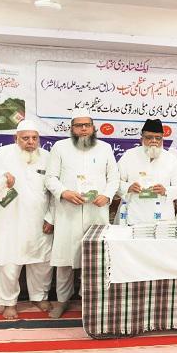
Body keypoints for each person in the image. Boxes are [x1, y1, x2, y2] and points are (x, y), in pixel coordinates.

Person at [0, 120, 54, 319]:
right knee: (9, 263)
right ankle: (9, 303)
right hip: (10, 222)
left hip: (39, 221)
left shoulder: (48, 157)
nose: (30, 142)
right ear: (15, 138)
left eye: (34, 138)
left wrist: (51, 217)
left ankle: (38, 297)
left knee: (42, 262)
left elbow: (53, 190)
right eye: (25, 138)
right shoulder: (3, 154)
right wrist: (1, 174)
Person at [45, 108, 119, 318]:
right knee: (64, 260)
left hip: (97, 212)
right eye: (79, 125)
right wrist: (64, 192)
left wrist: (107, 195)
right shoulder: (60, 148)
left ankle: (90, 301)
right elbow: (50, 178)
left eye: (87, 125)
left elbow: (114, 178)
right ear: (72, 128)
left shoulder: (105, 148)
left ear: (94, 127)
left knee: (94, 258)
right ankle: (61, 301)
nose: (84, 129)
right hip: (68, 211)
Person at [118, 118, 177, 222]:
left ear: (162, 140)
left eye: (158, 138)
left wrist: (166, 191)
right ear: (142, 139)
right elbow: (115, 181)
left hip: (162, 216)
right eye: (149, 137)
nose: (154, 141)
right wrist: (129, 187)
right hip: (134, 215)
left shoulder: (171, 159)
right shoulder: (129, 156)